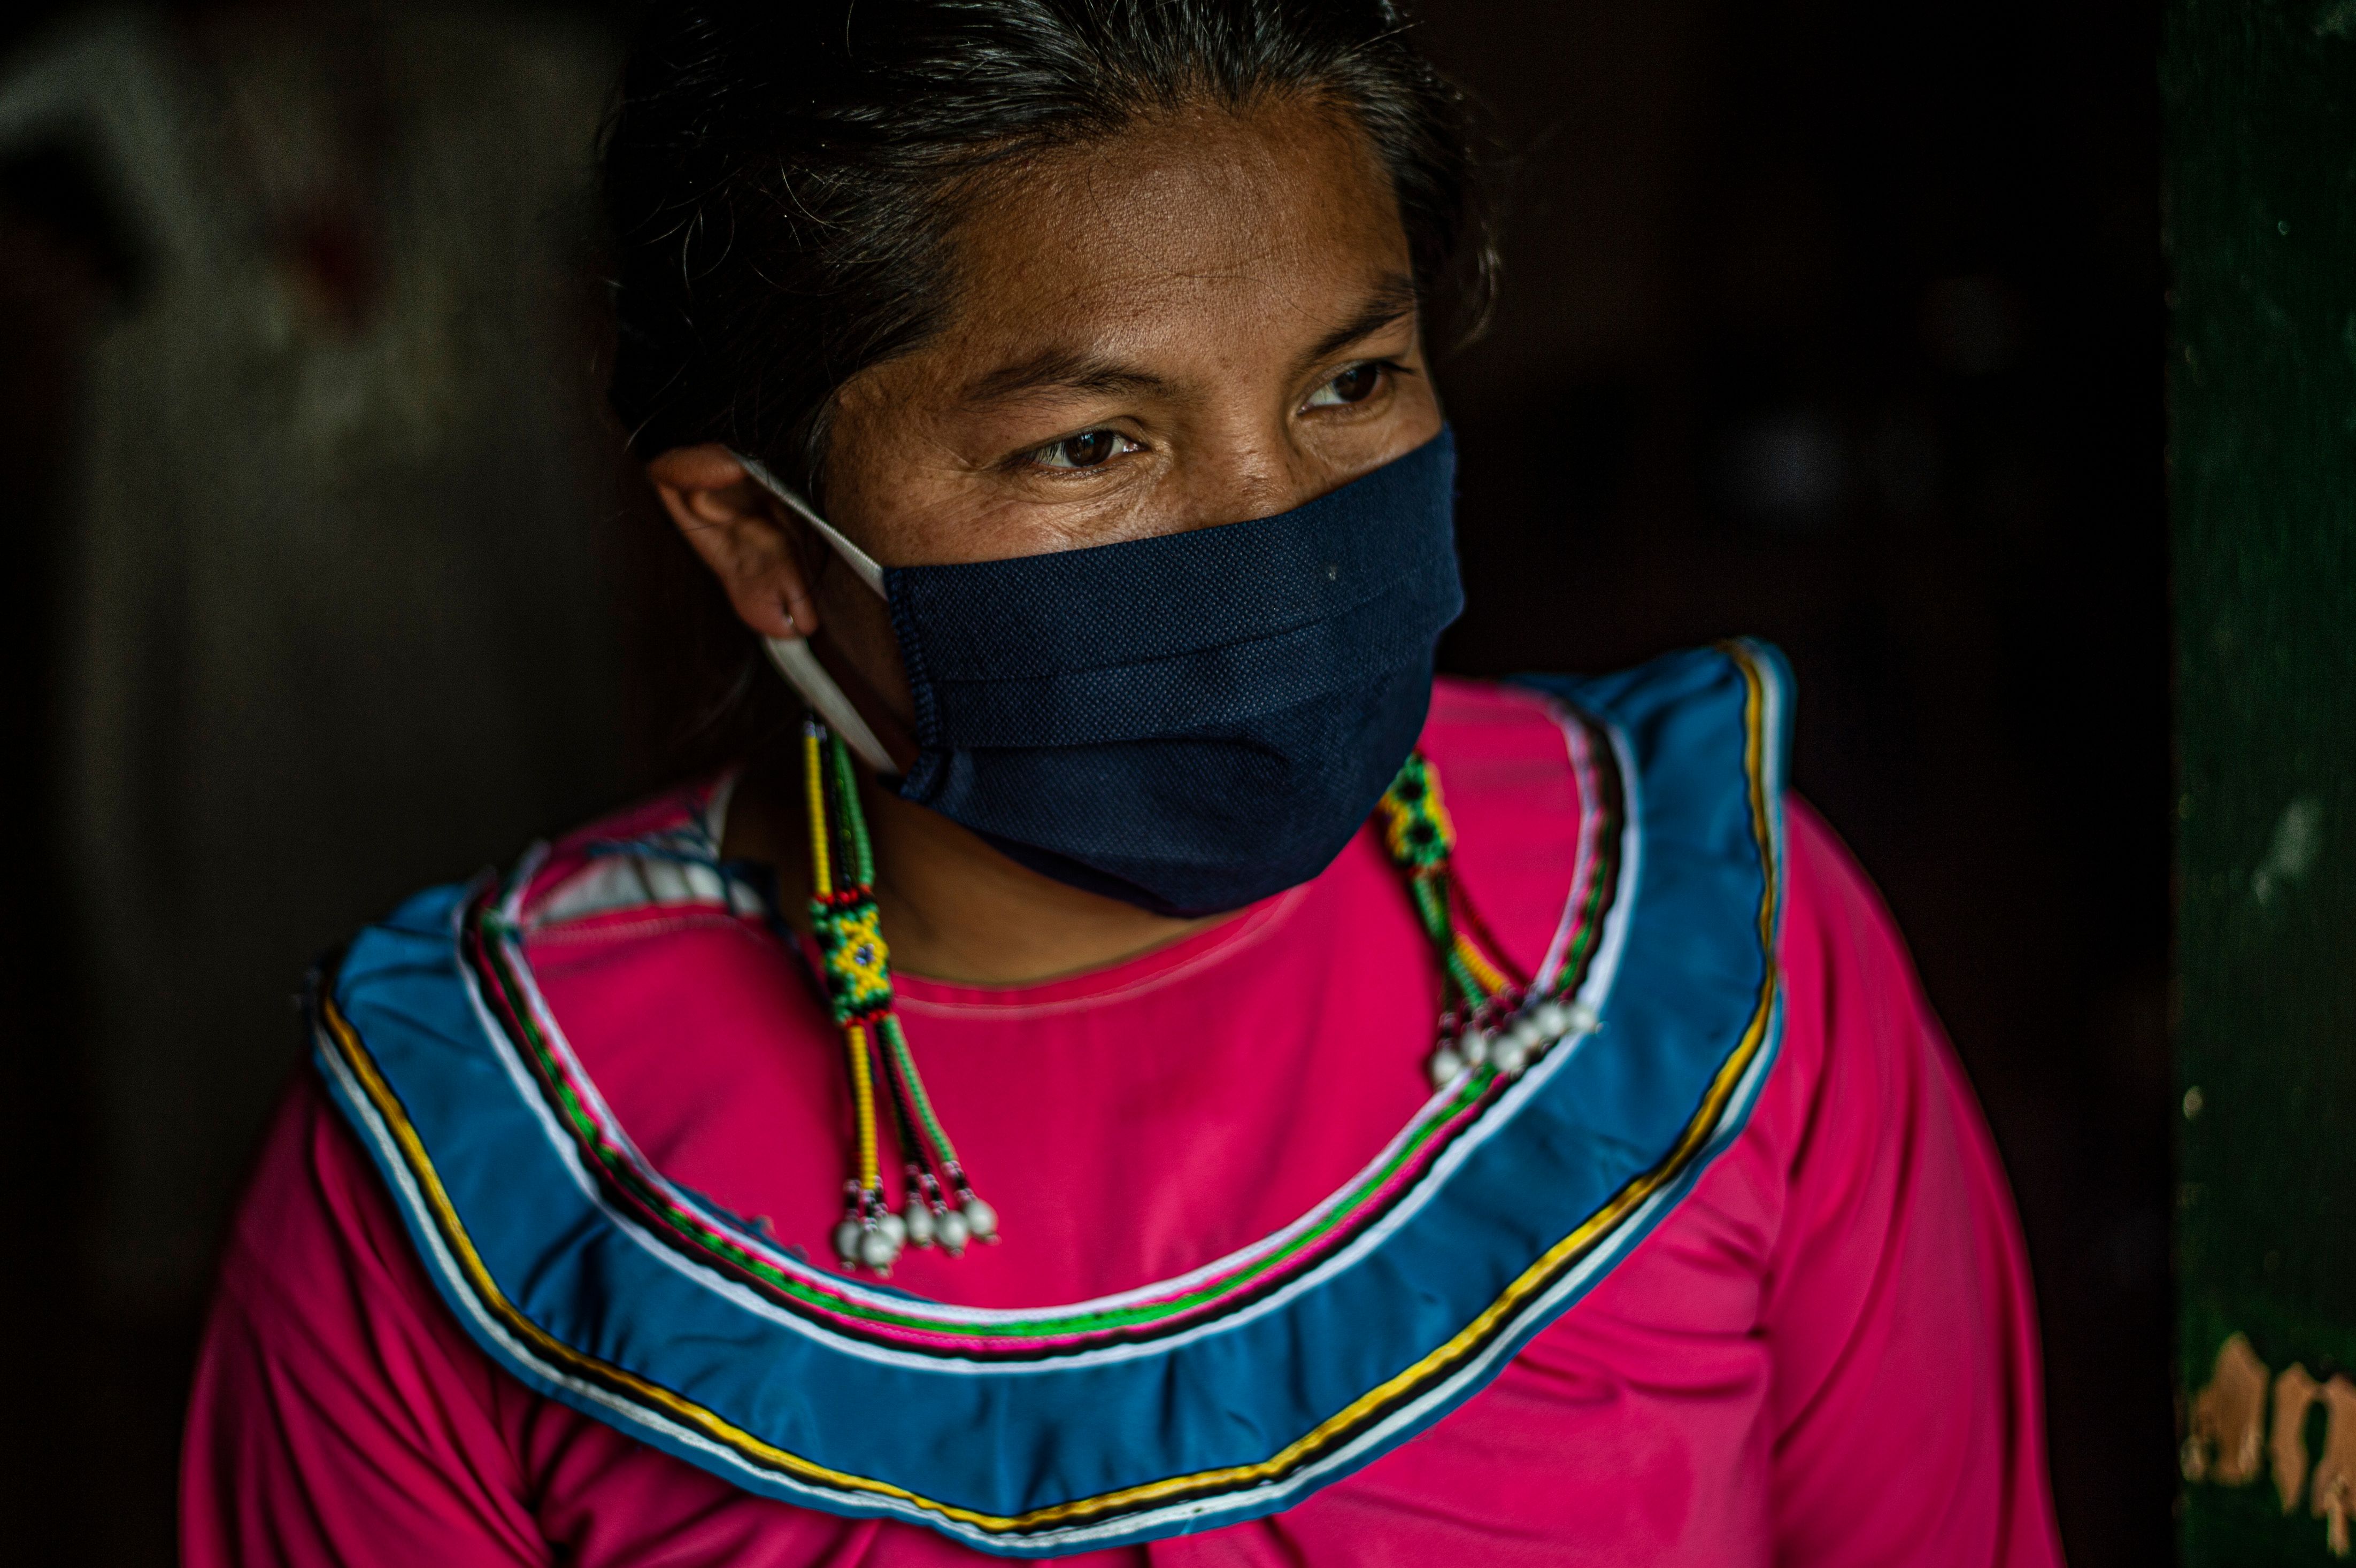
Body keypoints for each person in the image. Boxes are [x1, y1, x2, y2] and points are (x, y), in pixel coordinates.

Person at [181, 2, 2067, 1562]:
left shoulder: (1704, 941)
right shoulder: (470, 1168)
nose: (1278, 533)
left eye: (1352, 384)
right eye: (1093, 442)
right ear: (760, 539)